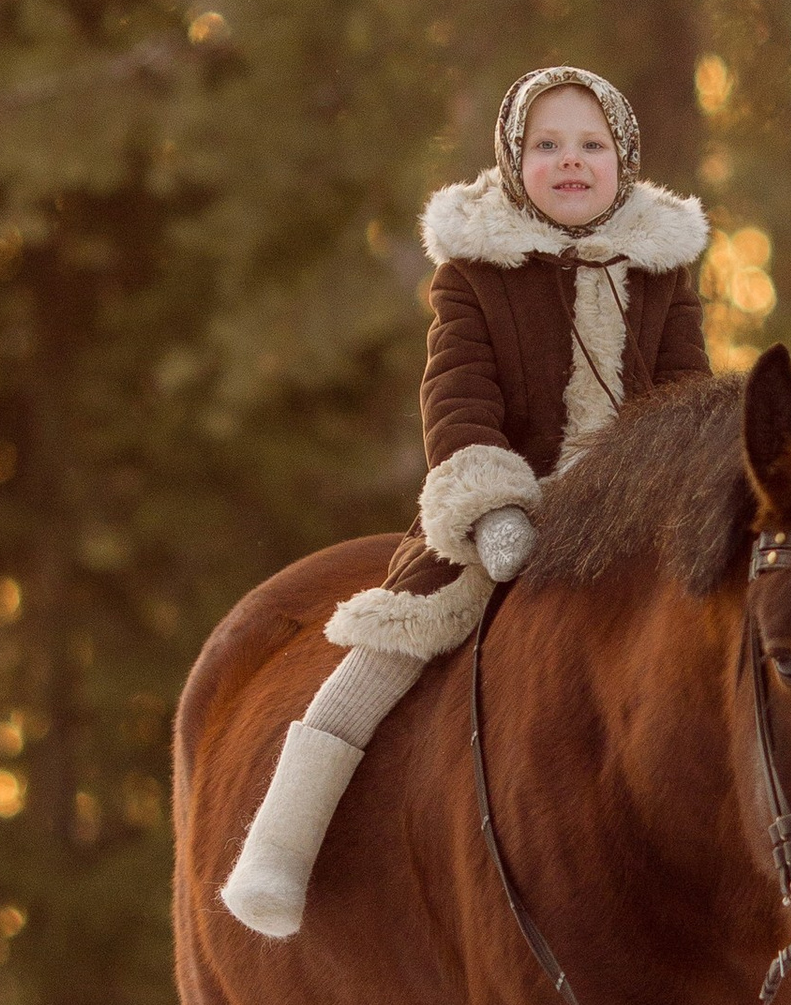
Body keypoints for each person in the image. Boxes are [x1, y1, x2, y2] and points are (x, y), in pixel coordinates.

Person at [220, 64, 711, 937]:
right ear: (512, 158)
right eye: (546, 145)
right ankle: (280, 848)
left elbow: (685, 400)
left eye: (591, 146)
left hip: (631, 525)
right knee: (385, 652)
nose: (569, 161)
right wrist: (492, 511)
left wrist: (685, 502)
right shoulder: (475, 273)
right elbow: (457, 397)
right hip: (502, 519)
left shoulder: (661, 271)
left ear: (625, 161)